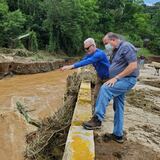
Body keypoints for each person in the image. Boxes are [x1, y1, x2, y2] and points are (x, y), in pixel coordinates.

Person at [83, 32, 139, 143]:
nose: (105, 46)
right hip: (120, 80)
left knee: (105, 88)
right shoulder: (115, 51)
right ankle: (118, 135)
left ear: (113, 40)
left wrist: (116, 78)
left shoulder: (126, 47)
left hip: (126, 80)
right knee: (119, 106)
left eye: (106, 43)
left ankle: (97, 119)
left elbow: (133, 66)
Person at [61, 38, 110, 107]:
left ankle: (101, 111)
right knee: (96, 95)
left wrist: (71, 66)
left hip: (108, 78)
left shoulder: (99, 54)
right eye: (85, 49)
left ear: (93, 46)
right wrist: (71, 66)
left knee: (105, 97)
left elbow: (87, 61)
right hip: (99, 77)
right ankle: (96, 113)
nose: (86, 50)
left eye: (87, 48)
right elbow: (83, 60)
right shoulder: (91, 54)